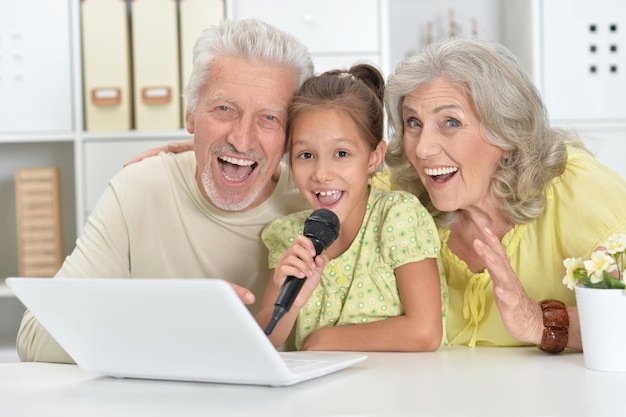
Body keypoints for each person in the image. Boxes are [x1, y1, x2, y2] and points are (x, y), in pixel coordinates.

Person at [16, 18, 314, 363]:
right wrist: (172, 320)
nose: (242, 139)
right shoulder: (139, 189)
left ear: (292, 133)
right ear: (190, 115)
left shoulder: (316, 201)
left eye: (269, 118)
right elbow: (35, 337)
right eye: (224, 109)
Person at [382, 37, 626, 351]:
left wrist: (539, 322)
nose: (423, 148)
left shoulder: (577, 189)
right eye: (413, 122)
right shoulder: (400, 202)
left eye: (451, 122)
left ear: (506, 133)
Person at [255, 64, 446, 352]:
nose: (321, 173)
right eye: (306, 154)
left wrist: (323, 340)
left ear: (373, 158)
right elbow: (264, 340)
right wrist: (292, 302)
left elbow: (424, 331)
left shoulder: (397, 216)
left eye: (341, 154)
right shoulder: (290, 236)